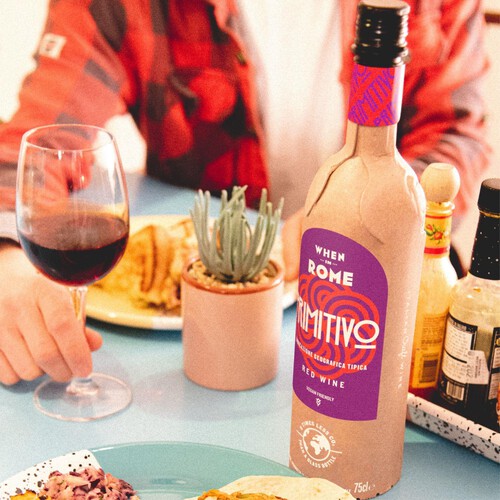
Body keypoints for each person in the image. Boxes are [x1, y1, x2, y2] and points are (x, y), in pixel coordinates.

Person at [0, 0, 491, 386]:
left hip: (378, 299)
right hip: (190, 338)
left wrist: (370, 210)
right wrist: (5, 255)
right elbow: (35, 142)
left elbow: (455, 133)